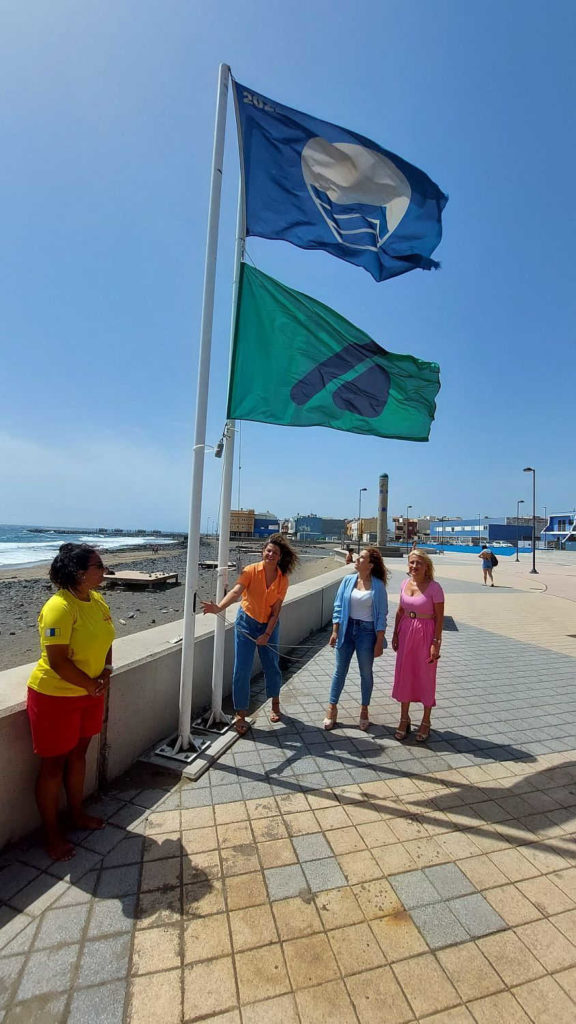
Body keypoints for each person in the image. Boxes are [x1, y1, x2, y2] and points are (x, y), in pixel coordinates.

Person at [27, 544, 115, 860]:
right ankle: (52, 835)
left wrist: (105, 671)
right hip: (55, 696)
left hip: (89, 694)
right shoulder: (59, 607)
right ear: (80, 573)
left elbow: (107, 639)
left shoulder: (97, 600)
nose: (104, 570)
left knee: (79, 755)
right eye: (98, 565)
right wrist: (91, 685)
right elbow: (57, 662)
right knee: (53, 765)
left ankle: (76, 813)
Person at [201, 534, 299, 734]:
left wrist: (267, 634)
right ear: (263, 552)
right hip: (246, 622)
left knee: (271, 666)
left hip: (269, 626)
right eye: (268, 551)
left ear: (280, 557)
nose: (271, 554)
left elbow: (276, 611)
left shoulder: (282, 580)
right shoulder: (250, 571)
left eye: (275, 552)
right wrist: (218, 607)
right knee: (242, 669)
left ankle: (275, 703)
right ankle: (241, 713)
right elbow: (236, 591)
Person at [323, 547, 388, 732]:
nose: (357, 559)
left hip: (367, 633)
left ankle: (364, 710)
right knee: (339, 671)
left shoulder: (378, 586)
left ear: (370, 565)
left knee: (365, 673)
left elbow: (382, 615)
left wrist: (379, 642)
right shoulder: (348, 580)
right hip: (347, 629)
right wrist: (335, 631)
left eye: (362, 558)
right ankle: (332, 708)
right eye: (358, 557)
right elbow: (337, 607)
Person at [391, 549, 444, 743]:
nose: (414, 566)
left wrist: (436, 644)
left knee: (425, 676)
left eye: (418, 563)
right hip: (406, 633)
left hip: (426, 633)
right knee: (405, 675)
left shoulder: (435, 588)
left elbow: (439, 619)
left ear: (427, 566)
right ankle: (404, 718)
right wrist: (395, 633)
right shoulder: (405, 583)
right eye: (411, 563)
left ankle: (426, 720)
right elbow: (400, 610)